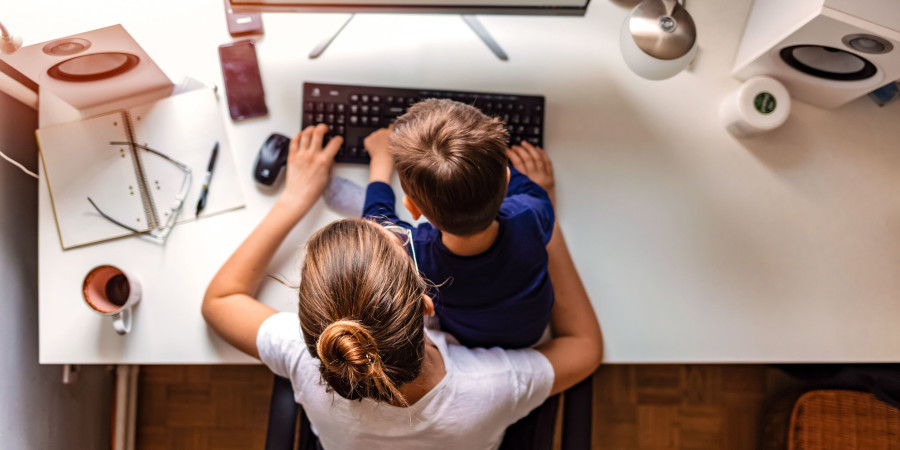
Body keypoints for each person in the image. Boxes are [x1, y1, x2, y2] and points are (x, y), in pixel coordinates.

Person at [201, 124, 603, 449]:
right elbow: (585, 348)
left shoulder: (310, 359)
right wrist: (544, 224)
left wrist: (295, 198)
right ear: (429, 305)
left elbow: (220, 301)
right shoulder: (491, 387)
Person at [362, 99, 555, 349]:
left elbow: (376, 225)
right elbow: (525, 188)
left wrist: (380, 162)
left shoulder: (416, 255)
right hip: (531, 331)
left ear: (412, 208)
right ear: (507, 182)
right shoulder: (532, 210)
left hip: (468, 339)